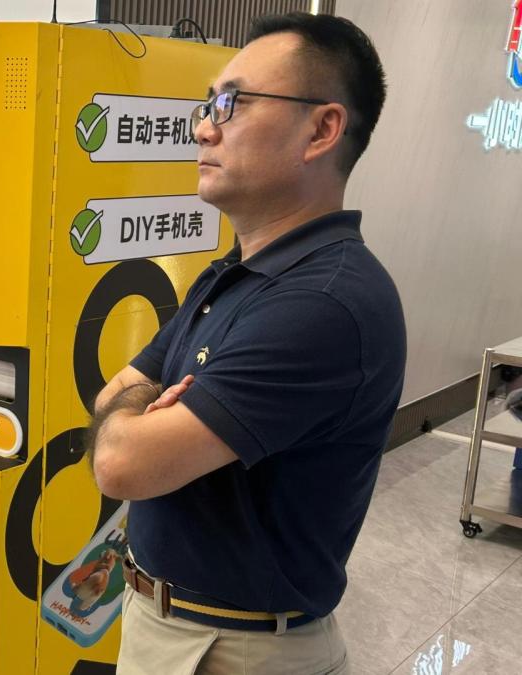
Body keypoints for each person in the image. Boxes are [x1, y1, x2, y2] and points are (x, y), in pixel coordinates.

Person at [87, 14, 406, 674]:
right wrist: (138, 411)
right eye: (208, 105)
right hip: (164, 624)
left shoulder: (324, 304)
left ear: (321, 130)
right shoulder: (233, 274)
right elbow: (112, 396)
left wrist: (138, 419)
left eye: (232, 103)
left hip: (232, 651)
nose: (204, 128)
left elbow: (119, 461)